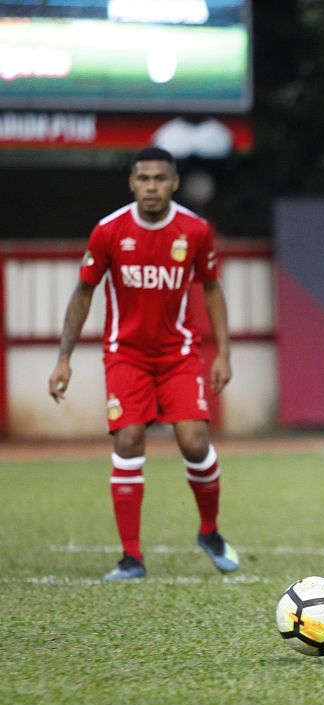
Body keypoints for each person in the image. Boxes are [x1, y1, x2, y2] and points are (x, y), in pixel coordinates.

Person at [48, 146, 240, 581]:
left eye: (159, 178)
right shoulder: (109, 231)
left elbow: (212, 288)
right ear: (132, 183)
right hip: (126, 355)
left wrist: (223, 352)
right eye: (142, 178)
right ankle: (131, 557)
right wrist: (64, 358)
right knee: (129, 439)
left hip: (179, 355)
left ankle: (209, 531)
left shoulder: (195, 230)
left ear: (174, 182)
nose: (150, 186)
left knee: (194, 442)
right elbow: (84, 293)